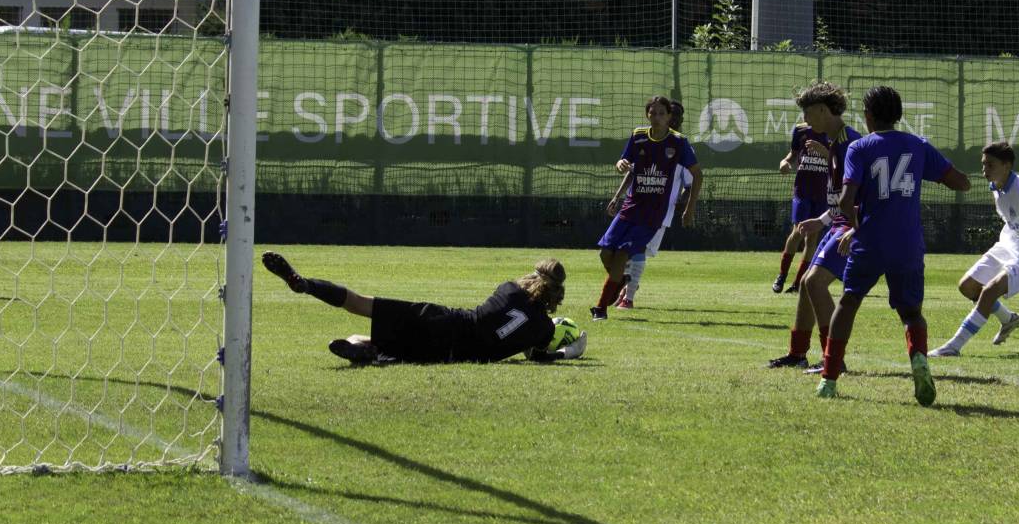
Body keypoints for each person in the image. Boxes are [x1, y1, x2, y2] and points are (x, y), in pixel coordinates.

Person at [816, 85, 972, 403]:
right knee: (912, 313)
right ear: (898, 114)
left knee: (848, 302)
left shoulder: (860, 147)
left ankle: (828, 380)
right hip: (907, 242)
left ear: (868, 116)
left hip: (870, 241)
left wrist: (856, 227)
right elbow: (961, 183)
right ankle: (919, 360)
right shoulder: (917, 145)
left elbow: (845, 200)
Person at [262, 252, 585, 364]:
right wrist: (571, 350)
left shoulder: (509, 288)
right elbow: (536, 355)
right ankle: (365, 350)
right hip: (452, 355)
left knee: (359, 303)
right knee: (373, 345)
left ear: (533, 275)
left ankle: (306, 284)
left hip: (443, 320)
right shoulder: (543, 329)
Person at [929, 141, 1019, 357]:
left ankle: (953, 346)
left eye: (990, 165)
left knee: (990, 291)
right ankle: (1008, 319)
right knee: (967, 287)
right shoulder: (995, 187)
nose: (985, 170)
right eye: (983, 164)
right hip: (1007, 245)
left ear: (1007, 165)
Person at [765, 81, 861, 371]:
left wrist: (855, 229)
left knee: (814, 283)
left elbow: (865, 194)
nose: (805, 119)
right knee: (808, 284)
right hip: (837, 223)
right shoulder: (835, 142)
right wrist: (821, 221)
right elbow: (839, 198)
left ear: (822, 110)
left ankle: (834, 361)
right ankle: (797, 354)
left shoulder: (849, 143)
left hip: (851, 227)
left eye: (807, 112)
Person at [592, 95, 702, 321]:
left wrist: (689, 209)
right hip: (631, 207)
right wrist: (620, 166)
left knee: (624, 253)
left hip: (655, 212)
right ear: (647, 115)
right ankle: (621, 281)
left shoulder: (679, 143)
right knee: (605, 253)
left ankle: (603, 307)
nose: (657, 117)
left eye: (662, 113)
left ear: (669, 117)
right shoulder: (638, 136)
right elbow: (626, 165)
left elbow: (696, 176)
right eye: (653, 113)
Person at [614, 101, 693, 310]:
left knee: (637, 250)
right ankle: (627, 287)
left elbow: (691, 182)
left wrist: (684, 204)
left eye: (677, 116)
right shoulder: (645, 139)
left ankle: (628, 296)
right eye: (671, 115)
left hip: (660, 211)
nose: (674, 120)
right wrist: (617, 196)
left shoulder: (681, 146)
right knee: (623, 250)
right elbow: (633, 171)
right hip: (635, 206)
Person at [771, 116, 832, 293]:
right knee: (797, 231)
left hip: (823, 194)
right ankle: (781, 276)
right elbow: (792, 154)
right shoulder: (800, 130)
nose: (807, 115)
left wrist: (824, 151)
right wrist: (784, 162)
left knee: (812, 238)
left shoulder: (833, 132)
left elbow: (839, 161)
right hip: (802, 190)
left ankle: (797, 283)